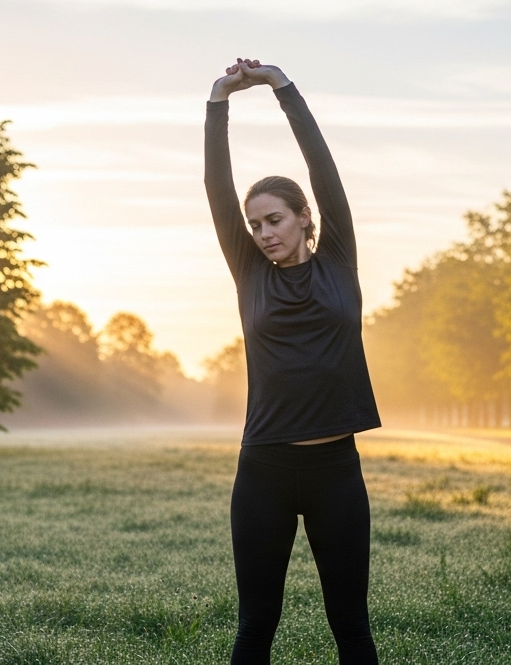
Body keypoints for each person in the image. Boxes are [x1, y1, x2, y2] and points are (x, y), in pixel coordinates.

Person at [205, 58, 381, 664]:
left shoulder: (338, 260)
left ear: (305, 218)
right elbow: (217, 188)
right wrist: (218, 101)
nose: (263, 233)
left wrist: (282, 87)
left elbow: (322, 169)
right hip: (265, 471)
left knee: (350, 626)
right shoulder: (250, 273)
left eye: (274, 219)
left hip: (336, 471)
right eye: (255, 225)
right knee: (256, 625)